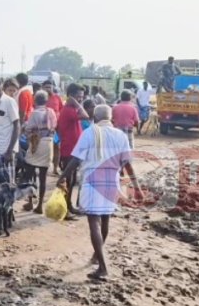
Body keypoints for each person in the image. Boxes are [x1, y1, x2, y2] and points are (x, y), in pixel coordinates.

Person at [57, 103, 143, 282]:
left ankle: (102, 267)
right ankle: (98, 256)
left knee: (93, 223)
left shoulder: (90, 133)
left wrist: (63, 176)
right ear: (110, 118)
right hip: (112, 182)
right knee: (105, 220)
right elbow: (127, 164)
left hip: (92, 181)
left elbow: (75, 159)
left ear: (94, 118)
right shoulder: (120, 135)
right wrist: (137, 188)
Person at [55, 83, 89, 217]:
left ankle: (69, 206)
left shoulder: (71, 109)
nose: (80, 99)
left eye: (81, 97)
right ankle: (65, 209)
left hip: (74, 149)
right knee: (68, 180)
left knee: (72, 180)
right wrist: (76, 103)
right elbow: (86, 115)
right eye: (78, 97)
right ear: (71, 97)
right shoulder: (69, 110)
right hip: (69, 149)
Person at [23, 90, 57, 213]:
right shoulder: (51, 112)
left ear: (35, 100)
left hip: (36, 144)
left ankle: (31, 202)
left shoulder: (34, 113)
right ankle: (40, 205)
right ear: (46, 100)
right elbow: (54, 126)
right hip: (48, 143)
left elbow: (28, 129)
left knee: (30, 175)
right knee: (43, 177)